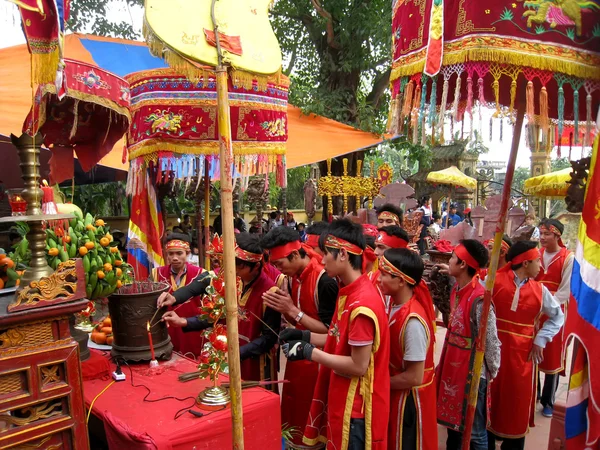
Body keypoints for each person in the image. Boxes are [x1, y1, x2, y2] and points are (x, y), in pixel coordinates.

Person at [280, 219, 390, 449]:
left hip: (356, 408)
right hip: (344, 398)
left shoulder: (362, 305)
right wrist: (304, 337)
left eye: (325, 253)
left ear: (342, 254)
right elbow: (336, 338)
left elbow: (358, 365)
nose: (321, 259)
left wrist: (311, 354)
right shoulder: (348, 293)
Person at [161, 233, 282, 381]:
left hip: (256, 364)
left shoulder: (271, 292)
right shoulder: (233, 280)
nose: (232, 271)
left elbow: (269, 338)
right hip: (229, 356)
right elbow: (218, 315)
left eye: (238, 267)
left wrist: (237, 353)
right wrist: (183, 321)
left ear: (256, 266)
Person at [261, 226, 339, 449]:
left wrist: (292, 311)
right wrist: (284, 307)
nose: (278, 269)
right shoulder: (293, 276)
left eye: (279, 264)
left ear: (295, 255)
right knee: (294, 411)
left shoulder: (325, 281)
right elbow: (297, 319)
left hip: (319, 360)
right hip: (298, 357)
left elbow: (332, 331)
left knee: (313, 415)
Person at [488, 241, 565, 449]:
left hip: (523, 357)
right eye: (537, 261)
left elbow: (558, 316)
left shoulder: (540, 290)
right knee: (490, 399)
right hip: (492, 352)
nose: (540, 265)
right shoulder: (493, 281)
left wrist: (541, 338)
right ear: (524, 263)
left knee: (517, 403)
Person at [435, 240, 501, 450]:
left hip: (473, 374)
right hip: (455, 369)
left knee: (475, 433)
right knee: (454, 428)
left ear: (463, 264)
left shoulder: (480, 299)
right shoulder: (460, 289)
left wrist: (491, 370)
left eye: (452, 257)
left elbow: (490, 340)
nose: (449, 261)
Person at [378, 248, 437, 450]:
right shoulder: (393, 304)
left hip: (409, 402)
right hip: (395, 392)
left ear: (401, 280)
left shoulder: (412, 322)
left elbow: (414, 377)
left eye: (384, 274)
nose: (378, 279)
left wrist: (375, 382)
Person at [535, 219, 573, 417]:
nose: (542, 238)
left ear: (557, 235)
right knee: (534, 351)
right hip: (534, 309)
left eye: (546, 234)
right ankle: (536, 392)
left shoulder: (568, 258)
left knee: (553, 355)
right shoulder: (536, 255)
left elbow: (565, 290)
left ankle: (548, 401)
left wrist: (547, 307)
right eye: (540, 234)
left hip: (555, 312)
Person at [151, 234, 205, 357]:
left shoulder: (201, 274)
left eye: (179, 253)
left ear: (187, 253)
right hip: (167, 328)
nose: (175, 258)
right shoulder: (156, 274)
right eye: (171, 254)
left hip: (192, 328)